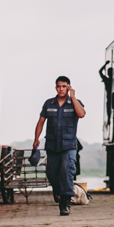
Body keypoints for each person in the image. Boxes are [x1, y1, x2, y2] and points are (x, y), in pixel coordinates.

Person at [33, 76, 86, 216]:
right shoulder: (49, 103)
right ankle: (58, 192)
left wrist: (73, 97)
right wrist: (36, 138)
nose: (60, 89)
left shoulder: (75, 103)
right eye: (58, 86)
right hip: (52, 144)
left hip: (69, 145)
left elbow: (81, 114)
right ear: (55, 87)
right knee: (51, 173)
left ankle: (65, 204)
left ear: (68, 87)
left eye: (63, 86)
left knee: (67, 171)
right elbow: (41, 122)